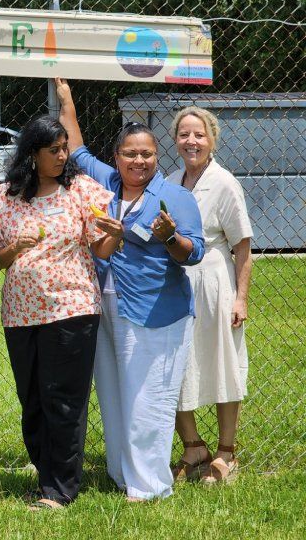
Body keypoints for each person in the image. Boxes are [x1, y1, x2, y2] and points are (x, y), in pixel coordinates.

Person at [55, 77, 205, 501]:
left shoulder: (175, 198)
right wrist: (65, 95)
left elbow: (193, 254)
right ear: (117, 158)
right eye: (130, 154)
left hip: (157, 312)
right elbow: (79, 150)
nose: (138, 161)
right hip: (105, 306)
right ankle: (123, 474)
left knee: (148, 400)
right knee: (115, 394)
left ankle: (151, 485)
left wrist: (171, 237)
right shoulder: (108, 186)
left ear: (158, 157)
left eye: (147, 154)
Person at [0, 115, 119, 509]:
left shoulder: (82, 190)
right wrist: (15, 248)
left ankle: (59, 489)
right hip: (20, 313)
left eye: (65, 148)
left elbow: (99, 249)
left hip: (71, 308)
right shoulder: (6, 196)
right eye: (54, 150)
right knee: (32, 401)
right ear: (32, 154)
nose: (63, 155)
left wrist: (113, 236)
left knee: (63, 400)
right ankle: (45, 473)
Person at [165, 107, 254, 485]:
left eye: (198, 135)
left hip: (215, 281)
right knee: (176, 365)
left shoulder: (224, 183)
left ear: (212, 139)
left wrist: (241, 298)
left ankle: (226, 452)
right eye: (184, 134)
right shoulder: (170, 182)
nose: (191, 141)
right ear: (175, 140)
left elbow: (243, 247)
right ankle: (193, 448)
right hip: (175, 284)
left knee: (221, 361)